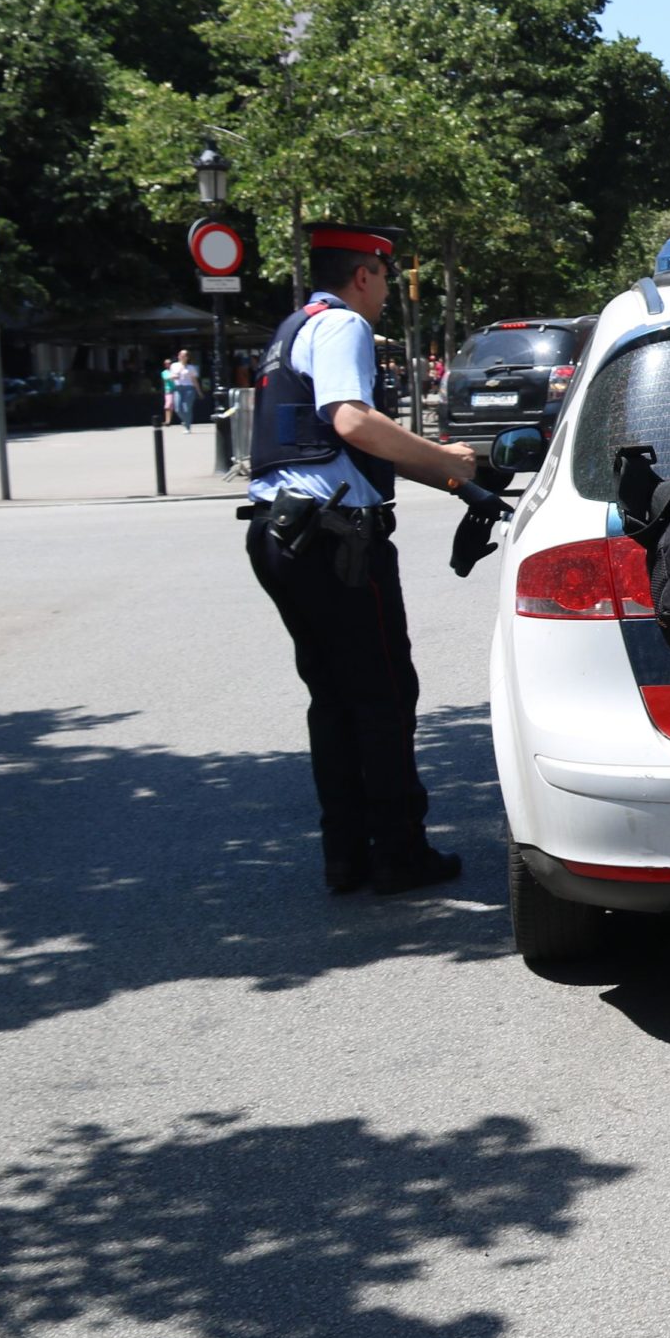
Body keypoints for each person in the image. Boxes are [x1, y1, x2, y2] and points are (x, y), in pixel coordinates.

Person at [242, 223, 503, 897]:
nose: (388, 292)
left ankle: (346, 855)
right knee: (383, 696)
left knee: (334, 700)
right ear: (364, 274)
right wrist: (447, 457)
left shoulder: (292, 328)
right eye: (386, 277)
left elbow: (340, 448)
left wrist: (452, 478)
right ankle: (399, 852)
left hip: (283, 536)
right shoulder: (343, 327)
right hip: (336, 543)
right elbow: (352, 421)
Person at [172, 348, 202, 431]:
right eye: (180, 355)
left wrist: (199, 391)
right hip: (178, 388)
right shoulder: (174, 365)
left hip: (189, 388)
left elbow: (194, 381)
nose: (182, 356)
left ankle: (187, 427)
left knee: (187, 408)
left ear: (187, 357)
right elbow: (171, 376)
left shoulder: (191, 367)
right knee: (178, 409)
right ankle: (185, 421)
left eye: (184, 355)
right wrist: (173, 377)